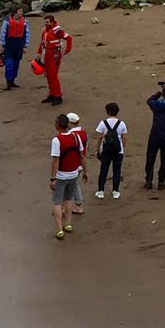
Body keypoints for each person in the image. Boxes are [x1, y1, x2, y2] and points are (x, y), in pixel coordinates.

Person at [50, 112, 88, 240]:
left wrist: (52, 178)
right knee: (68, 199)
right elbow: (81, 155)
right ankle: (68, 224)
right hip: (73, 173)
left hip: (61, 175)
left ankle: (60, 229)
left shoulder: (57, 140)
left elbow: (56, 160)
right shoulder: (76, 138)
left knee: (57, 202)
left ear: (57, 125)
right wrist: (86, 171)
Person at [94, 102, 128, 199]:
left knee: (104, 170)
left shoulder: (103, 123)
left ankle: (100, 191)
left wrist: (97, 150)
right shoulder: (121, 123)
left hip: (106, 150)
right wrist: (122, 148)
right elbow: (124, 137)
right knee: (117, 171)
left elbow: (99, 137)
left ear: (108, 112)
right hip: (118, 150)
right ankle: (115, 191)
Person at [37, 15, 73, 105]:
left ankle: (58, 96)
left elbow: (69, 38)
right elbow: (43, 43)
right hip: (47, 54)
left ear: (52, 22)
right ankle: (52, 94)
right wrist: (39, 53)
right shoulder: (44, 30)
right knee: (48, 75)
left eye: (47, 22)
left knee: (53, 75)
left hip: (55, 55)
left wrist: (68, 49)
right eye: (45, 22)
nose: (46, 24)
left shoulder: (57, 30)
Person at [0, 7, 29, 88]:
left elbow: (27, 34)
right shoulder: (7, 21)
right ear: (15, 12)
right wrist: (3, 45)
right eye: (20, 11)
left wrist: (25, 46)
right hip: (9, 45)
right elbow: (3, 33)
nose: (21, 13)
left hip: (19, 45)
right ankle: (8, 82)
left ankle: (12, 80)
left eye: (21, 11)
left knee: (16, 65)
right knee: (9, 64)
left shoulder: (25, 22)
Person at [66, 112, 88, 213]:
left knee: (71, 185)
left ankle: (78, 206)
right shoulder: (84, 133)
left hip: (73, 163)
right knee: (74, 184)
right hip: (81, 163)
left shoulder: (72, 135)